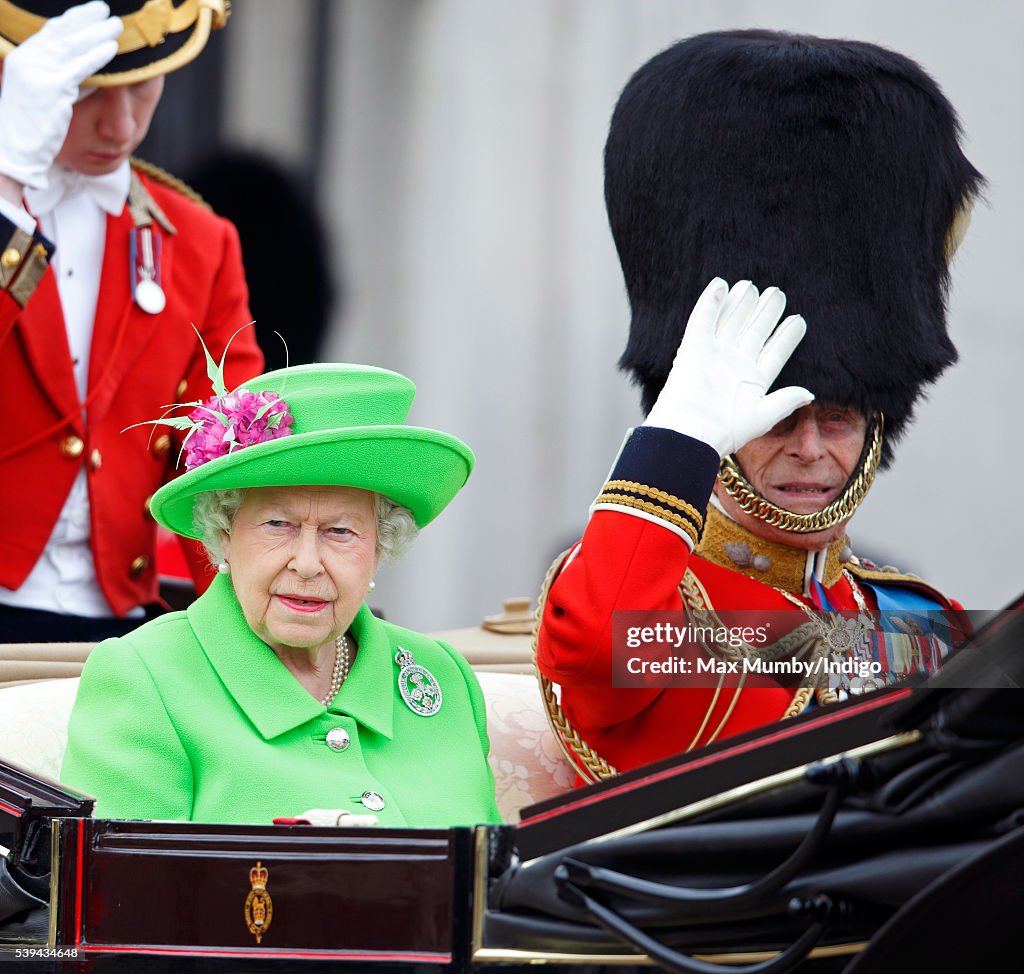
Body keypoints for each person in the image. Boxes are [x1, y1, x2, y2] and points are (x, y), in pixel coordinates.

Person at [535, 30, 982, 783]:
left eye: (837, 417)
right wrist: (679, 435)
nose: (811, 449)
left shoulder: (913, 621)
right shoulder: (658, 608)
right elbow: (594, 644)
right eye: (778, 419)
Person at [60, 357, 502, 827]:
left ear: (380, 546)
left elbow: (492, 882)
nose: (308, 564)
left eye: (341, 531)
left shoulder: (444, 677)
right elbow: (117, 893)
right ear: (224, 533)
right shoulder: (146, 679)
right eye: (278, 524)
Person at [0, 0, 263, 642]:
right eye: (86, 91)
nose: (118, 125)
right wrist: (6, 188)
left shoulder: (202, 239)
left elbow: (230, 456)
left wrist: (254, 621)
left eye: (140, 85)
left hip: (123, 627)